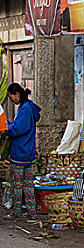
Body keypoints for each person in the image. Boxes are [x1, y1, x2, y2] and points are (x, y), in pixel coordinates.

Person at [4, 83, 41, 219]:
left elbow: (18, 128)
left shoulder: (25, 109)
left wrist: (6, 126)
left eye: (11, 97)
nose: (11, 100)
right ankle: (31, 211)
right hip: (28, 152)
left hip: (20, 152)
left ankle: (17, 212)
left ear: (17, 94)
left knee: (17, 184)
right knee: (28, 184)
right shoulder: (28, 107)